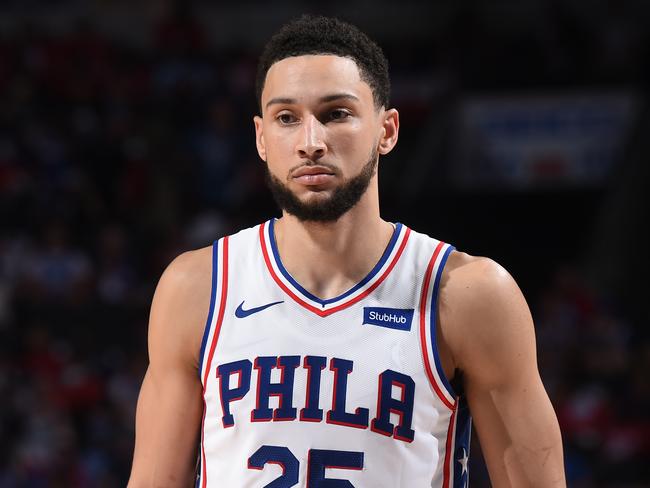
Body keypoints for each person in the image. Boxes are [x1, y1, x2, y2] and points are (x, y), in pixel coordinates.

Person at [128, 15, 565, 488]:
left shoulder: (468, 293)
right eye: (286, 118)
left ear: (387, 130)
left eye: (336, 113)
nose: (310, 143)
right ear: (260, 138)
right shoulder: (198, 287)